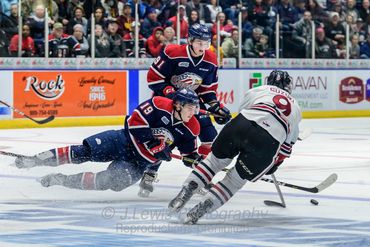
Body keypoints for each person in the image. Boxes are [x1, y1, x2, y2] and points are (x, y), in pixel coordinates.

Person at [168, 70, 302, 224]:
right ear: (289, 86)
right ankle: (200, 210)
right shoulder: (296, 108)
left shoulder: (257, 90)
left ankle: (186, 191)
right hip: (267, 142)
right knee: (234, 181)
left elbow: (242, 113)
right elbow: (285, 149)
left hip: (242, 126)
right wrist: (274, 164)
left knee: (213, 162)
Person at [14, 89, 202, 198]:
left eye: (195, 108)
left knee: (110, 181)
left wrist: (193, 160)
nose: (193, 112)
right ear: (178, 104)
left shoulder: (192, 127)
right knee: (84, 151)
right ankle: (36, 160)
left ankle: (60, 179)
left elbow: (188, 154)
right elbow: (133, 121)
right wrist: (153, 143)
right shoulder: (159, 103)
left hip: (138, 164)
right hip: (123, 141)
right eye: (190, 107)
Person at [147, 23, 232, 157]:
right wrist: (171, 93)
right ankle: (151, 170)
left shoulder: (211, 59)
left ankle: (203, 169)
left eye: (206, 43)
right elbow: (153, 79)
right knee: (163, 140)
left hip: (192, 102)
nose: (203, 47)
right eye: (199, 43)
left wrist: (216, 106)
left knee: (210, 137)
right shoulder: (172, 52)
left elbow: (207, 90)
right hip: (167, 102)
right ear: (190, 40)